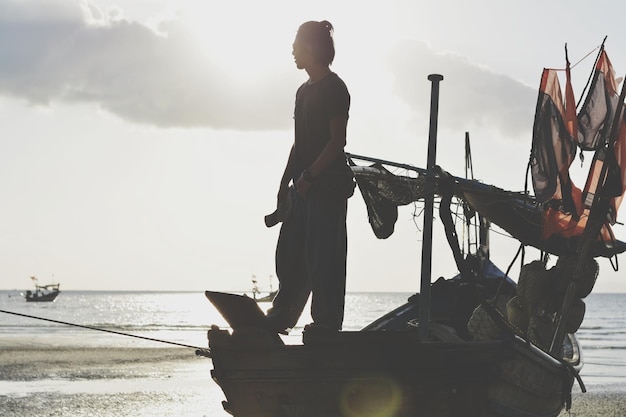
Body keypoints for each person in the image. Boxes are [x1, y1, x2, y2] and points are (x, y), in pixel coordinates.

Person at [265, 20, 355, 333]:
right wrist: (284, 186)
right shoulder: (302, 92)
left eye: (297, 44)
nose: (292, 50)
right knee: (289, 253)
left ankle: (327, 325)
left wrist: (310, 177)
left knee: (325, 258)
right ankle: (281, 315)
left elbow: (336, 142)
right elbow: (298, 142)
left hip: (327, 189)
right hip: (302, 189)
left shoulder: (335, 88)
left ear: (312, 49)